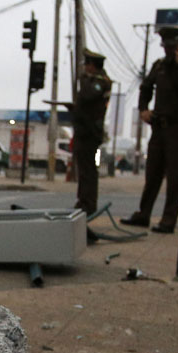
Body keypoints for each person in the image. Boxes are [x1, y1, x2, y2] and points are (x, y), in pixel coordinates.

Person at [121, 26, 178, 233]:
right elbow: (145, 87)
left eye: (171, 46)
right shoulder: (159, 66)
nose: (167, 50)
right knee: (152, 173)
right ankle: (143, 214)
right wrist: (144, 109)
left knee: (175, 177)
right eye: (165, 46)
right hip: (159, 126)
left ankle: (168, 220)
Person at [72, 49, 112, 242]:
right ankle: (83, 201)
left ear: (92, 65)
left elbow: (88, 96)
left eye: (87, 64)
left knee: (88, 170)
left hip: (90, 132)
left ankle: (88, 204)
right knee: (84, 170)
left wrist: (84, 79)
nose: (85, 68)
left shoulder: (100, 81)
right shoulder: (93, 81)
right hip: (83, 131)